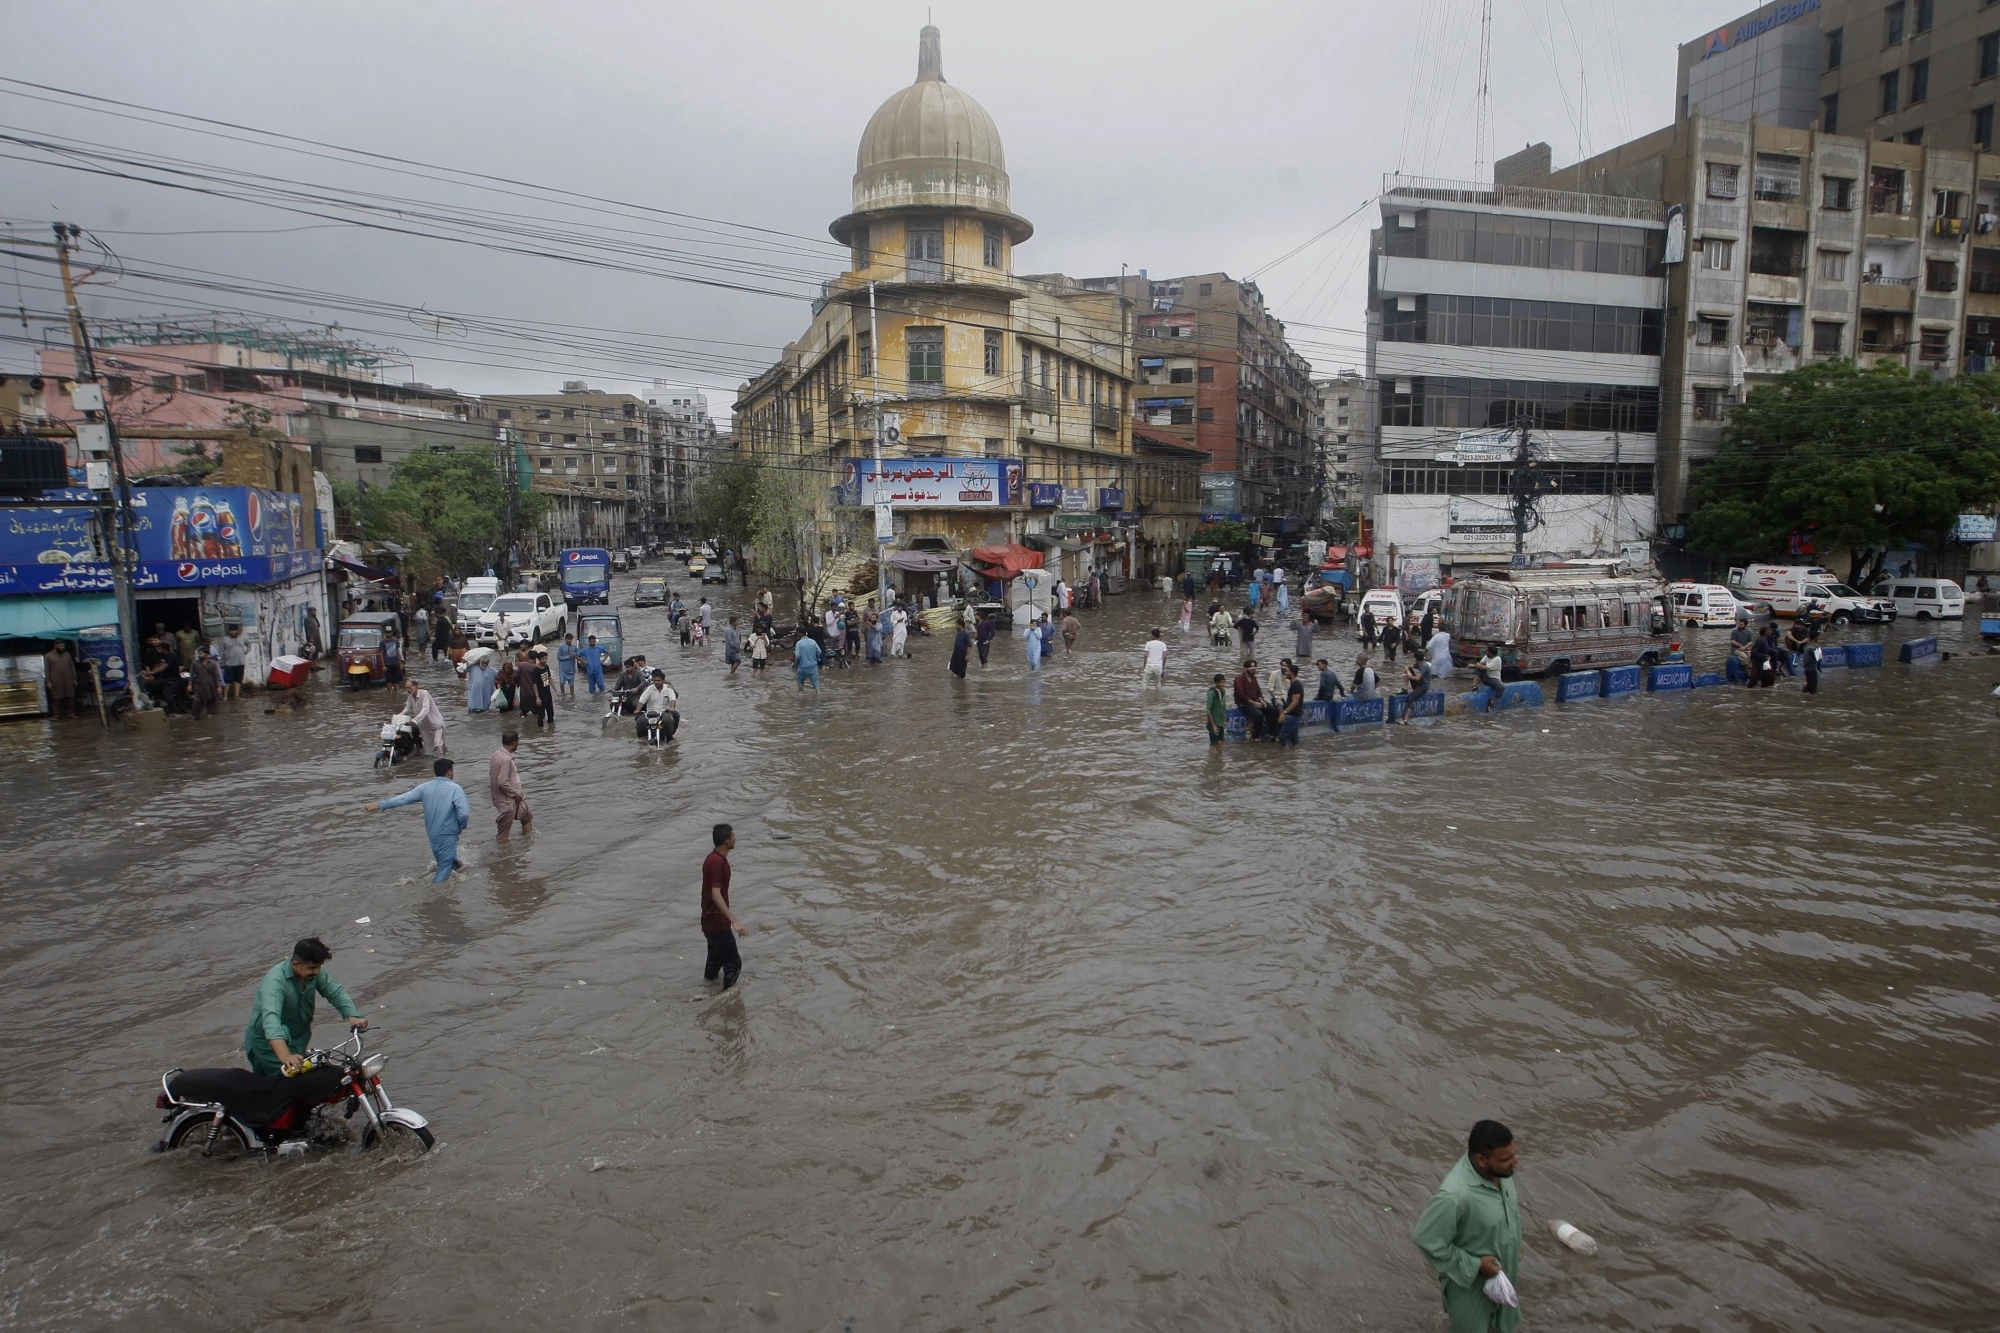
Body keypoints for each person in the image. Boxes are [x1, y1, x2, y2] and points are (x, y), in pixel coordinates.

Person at [1412, 1120, 1523, 1333]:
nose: (1515, 1162)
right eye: (1506, 1158)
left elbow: (1509, 1211)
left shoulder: (1501, 1174)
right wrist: (1476, 1265)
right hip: (1470, 1286)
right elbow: (1425, 1239)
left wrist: (1516, 1242)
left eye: (1514, 1154)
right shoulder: (1455, 1196)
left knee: (1502, 1326)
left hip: (1503, 1274)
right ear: (1482, 1160)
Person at [242, 937, 367, 1077]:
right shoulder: (275, 983)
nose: (317, 972)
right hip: (268, 1046)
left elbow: (335, 992)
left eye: (319, 966)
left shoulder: (313, 973)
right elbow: (271, 1022)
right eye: (312, 968)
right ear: (295, 964)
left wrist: (352, 1015)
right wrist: (286, 1057)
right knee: (284, 1089)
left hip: (297, 1040)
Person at [367, 757, 471, 883]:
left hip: (432, 832)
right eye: (452, 770)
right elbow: (464, 813)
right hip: (448, 832)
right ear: (449, 772)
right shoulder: (455, 788)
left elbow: (403, 799)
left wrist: (381, 805)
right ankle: (434, 894)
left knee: (445, 859)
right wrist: (460, 826)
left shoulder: (424, 788)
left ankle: (456, 867)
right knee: (444, 866)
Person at [702, 823, 745, 989]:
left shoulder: (713, 859)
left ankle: (707, 992)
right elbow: (715, 894)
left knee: (714, 963)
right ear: (726, 841)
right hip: (717, 922)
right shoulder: (716, 862)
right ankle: (726, 1000)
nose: (735, 838)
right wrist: (734, 921)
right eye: (733, 836)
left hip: (709, 920)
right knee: (733, 964)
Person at [490, 731, 532, 841]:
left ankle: (527, 844)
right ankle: (504, 856)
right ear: (514, 742)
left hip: (508, 799)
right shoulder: (506, 759)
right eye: (518, 741)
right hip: (508, 801)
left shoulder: (496, 754)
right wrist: (516, 795)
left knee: (527, 817)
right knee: (503, 836)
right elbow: (502, 782)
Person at [1233, 660, 1276, 741]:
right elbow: (1240, 694)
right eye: (1250, 667)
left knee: (1273, 711)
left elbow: (1258, 691)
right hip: (1245, 703)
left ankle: (1272, 734)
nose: (1253, 669)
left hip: (1256, 700)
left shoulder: (1254, 678)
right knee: (1259, 715)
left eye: (1254, 667)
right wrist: (1254, 703)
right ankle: (1256, 736)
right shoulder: (1239, 678)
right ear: (1245, 668)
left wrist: (1261, 700)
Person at [635, 669, 680, 741]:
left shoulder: (668, 688)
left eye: (659, 681)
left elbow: (673, 700)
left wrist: (671, 708)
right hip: (650, 713)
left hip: (664, 712)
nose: (657, 682)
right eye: (655, 681)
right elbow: (642, 700)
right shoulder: (649, 688)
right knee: (640, 721)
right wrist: (637, 709)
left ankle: (669, 737)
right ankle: (642, 739)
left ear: (663, 680)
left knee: (667, 720)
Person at [42, 640, 77, 719]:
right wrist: (48, 682)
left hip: (68, 678)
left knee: (70, 696)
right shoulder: (48, 656)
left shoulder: (67, 655)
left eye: (63, 646)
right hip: (55, 679)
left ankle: (71, 713)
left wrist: (74, 679)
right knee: (56, 697)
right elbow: (46, 670)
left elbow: (72, 667)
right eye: (61, 646)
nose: (63, 647)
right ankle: (56, 714)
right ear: (55, 646)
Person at [188, 645, 223, 719]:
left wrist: (219, 686)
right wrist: (189, 685)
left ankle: (211, 715)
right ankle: (196, 716)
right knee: (197, 700)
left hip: (210, 684)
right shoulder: (195, 663)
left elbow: (217, 676)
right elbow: (191, 675)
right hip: (199, 684)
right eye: (199, 654)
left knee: (211, 699)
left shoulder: (212, 664)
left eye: (201, 653)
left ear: (206, 654)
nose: (200, 655)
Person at [1277, 662, 1305, 746]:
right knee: (1294, 737)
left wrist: (1284, 713)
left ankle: (1286, 755)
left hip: (1293, 715)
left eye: (1287, 671)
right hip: (1295, 714)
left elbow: (1295, 702)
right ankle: (1293, 755)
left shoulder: (1296, 685)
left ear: (1292, 672)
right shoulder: (1293, 684)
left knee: (1283, 737)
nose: (1285, 673)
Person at [1399, 656, 1434, 724]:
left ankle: (1405, 720)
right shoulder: (1418, 664)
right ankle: (1405, 689)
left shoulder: (1424, 666)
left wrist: (1407, 675)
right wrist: (1407, 670)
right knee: (1408, 670)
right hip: (1419, 684)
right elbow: (1408, 667)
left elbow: (1417, 678)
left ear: (1416, 659)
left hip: (1423, 686)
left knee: (1411, 697)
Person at [219, 624, 249, 700]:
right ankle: (225, 697)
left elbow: (249, 644)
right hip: (229, 663)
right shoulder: (225, 639)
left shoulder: (242, 638)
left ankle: (236, 695)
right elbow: (221, 652)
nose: (232, 632)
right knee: (227, 681)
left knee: (238, 680)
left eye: (234, 630)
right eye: (231, 630)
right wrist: (221, 662)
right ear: (229, 631)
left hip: (240, 662)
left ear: (237, 631)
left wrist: (246, 651)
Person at [527, 649, 554, 726]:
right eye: (543, 659)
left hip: (547, 692)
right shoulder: (536, 670)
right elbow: (534, 684)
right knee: (541, 714)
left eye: (546, 658)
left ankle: (550, 731)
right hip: (540, 693)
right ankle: (540, 732)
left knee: (550, 712)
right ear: (538, 659)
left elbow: (549, 678)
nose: (545, 660)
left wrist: (555, 690)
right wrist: (537, 697)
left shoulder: (546, 667)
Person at [1473, 647, 1504, 712]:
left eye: (1487, 652)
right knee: (1478, 669)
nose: (1486, 653)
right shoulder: (1486, 657)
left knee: (1501, 687)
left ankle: (1493, 702)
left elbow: (1486, 667)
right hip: (1486, 677)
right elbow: (1480, 663)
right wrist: (1479, 665)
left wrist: (1479, 665)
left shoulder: (1497, 659)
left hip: (1493, 679)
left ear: (1490, 653)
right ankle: (1474, 685)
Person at [1204, 672, 1229, 747]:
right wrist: (1213, 725)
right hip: (1214, 723)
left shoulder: (1223, 691)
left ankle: (1219, 758)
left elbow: (1223, 706)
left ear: (1224, 682)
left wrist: (1225, 720)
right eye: (1218, 683)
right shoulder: (1211, 693)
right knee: (1213, 744)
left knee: (1221, 742)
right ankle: (1211, 758)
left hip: (1221, 723)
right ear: (1215, 683)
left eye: (1222, 682)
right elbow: (1208, 709)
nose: (1220, 684)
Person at [555, 633, 578, 697]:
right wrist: (568, 657)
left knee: (571, 684)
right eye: (568, 639)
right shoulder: (561, 647)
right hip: (562, 668)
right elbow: (558, 657)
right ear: (565, 639)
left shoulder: (574, 647)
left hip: (571, 668)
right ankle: (563, 695)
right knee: (562, 682)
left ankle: (572, 696)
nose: (569, 641)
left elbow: (579, 653)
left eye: (570, 639)